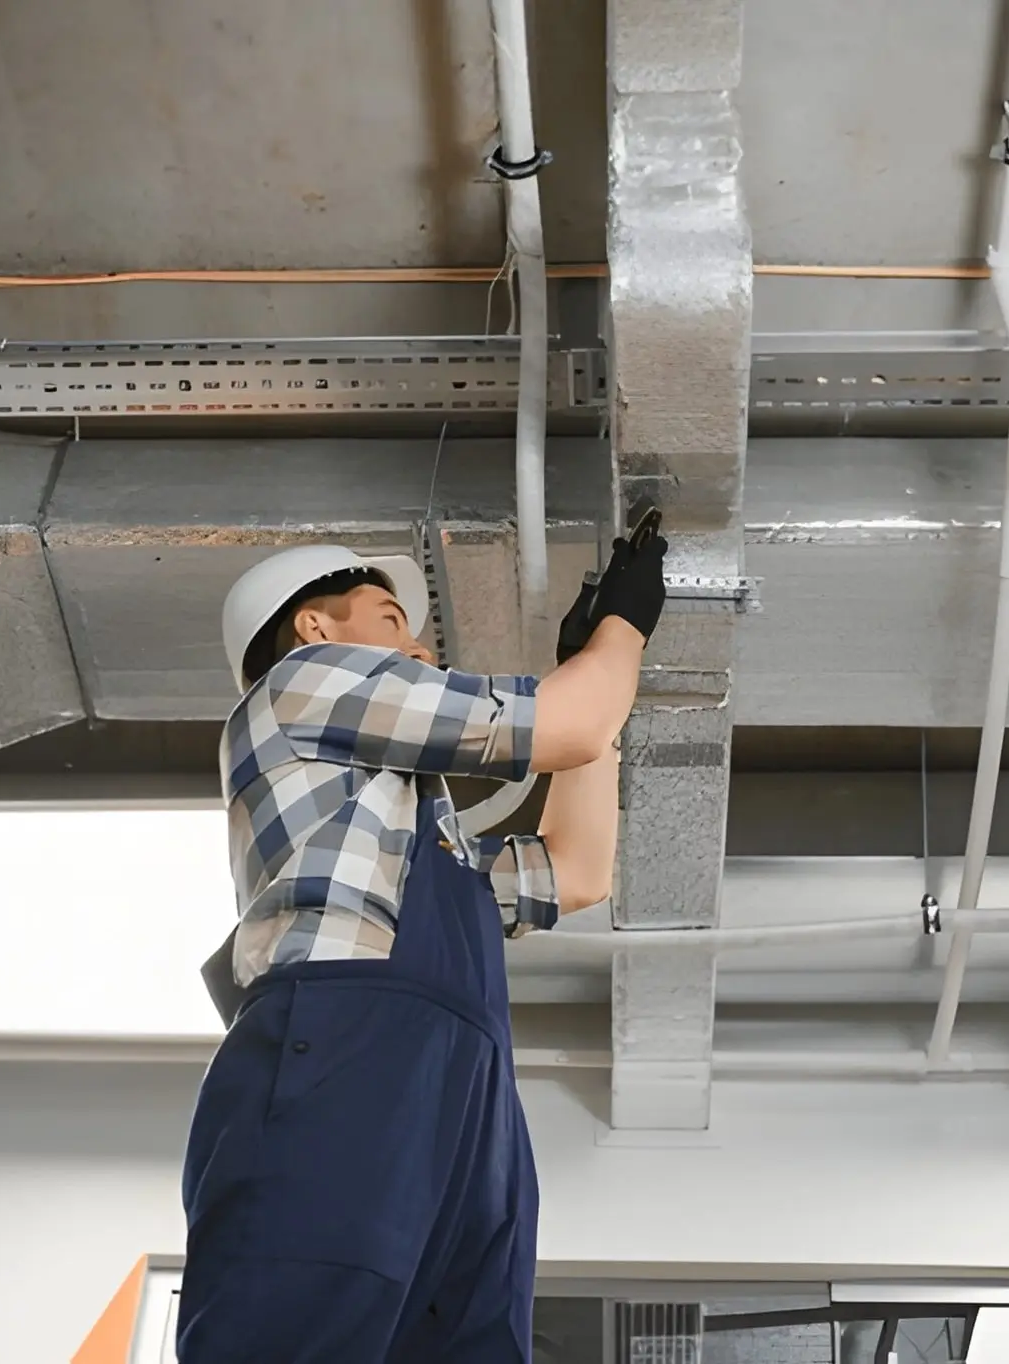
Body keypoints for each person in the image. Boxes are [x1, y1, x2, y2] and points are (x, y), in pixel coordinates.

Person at [177, 530, 667, 1364]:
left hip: (462, 1088)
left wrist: (598, 678)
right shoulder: (301, 687)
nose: (422, 645)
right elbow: (568, 723)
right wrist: (619, 632)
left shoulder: (418, 834)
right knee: (296, 1316)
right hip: (348, 1041)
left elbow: (576, 871)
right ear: (313, 631)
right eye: (394, 618)